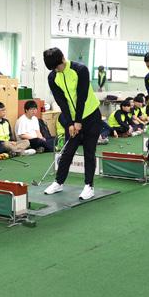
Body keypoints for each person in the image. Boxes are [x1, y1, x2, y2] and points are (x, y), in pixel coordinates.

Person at [43, 47, 102, 200]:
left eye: (58, 66)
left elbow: (81, 97)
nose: (57, 70)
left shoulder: (80, 70)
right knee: (68, 151)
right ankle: (58, 182)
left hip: (90, 116)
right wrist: (70, 123)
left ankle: (89, 186)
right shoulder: (53, 77)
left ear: (63, 58)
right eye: (53, 69)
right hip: (73, 118)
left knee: (89, 151)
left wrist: (78, 122)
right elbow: (62, 102)